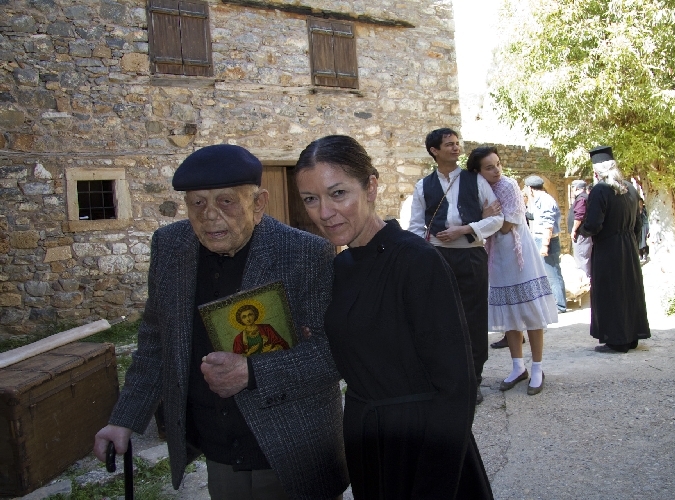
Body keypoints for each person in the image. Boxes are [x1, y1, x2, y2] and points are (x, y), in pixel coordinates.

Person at [93, 144, 348, 499]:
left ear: (259, 203)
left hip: (292, 441)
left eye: (226, 201)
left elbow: (336, 353)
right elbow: (156, 340)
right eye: (197, 203)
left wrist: (252, 373)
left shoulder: (305, 253)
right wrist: (124, 419)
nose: (209, 216)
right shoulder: (170, 246)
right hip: (219, 444)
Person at [295, 135, 494, 499]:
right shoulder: (339, 266)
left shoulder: (416, 260)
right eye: (311, 199)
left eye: (338, 193)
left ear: (370, 186)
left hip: (424, 446)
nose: (324, 212)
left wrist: (433, 484)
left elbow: (457, 386)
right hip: (368, 439)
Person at [407, 128, 503, 404]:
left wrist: (465, 229)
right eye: (448, 144)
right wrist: (427, 255)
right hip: (439, 258)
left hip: (471, 256)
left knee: (473, 319)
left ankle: (474, 380)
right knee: (442, 319)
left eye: (457, 143)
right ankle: (448, 378)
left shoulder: (476, 180)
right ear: (434, 151)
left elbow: (497, 219)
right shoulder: (423, 186)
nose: (456, 148)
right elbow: (415, 228)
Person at [467, 147, 558, 395]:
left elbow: (506, 226)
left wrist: (486, 219)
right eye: (489, 167)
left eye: (497, 164)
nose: (496, 170)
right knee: (509, 311)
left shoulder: (507, 186)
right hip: (497, 255)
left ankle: (537, 367)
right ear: (478, 171)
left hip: (518, 254)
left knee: (530, 310)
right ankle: (518, 366)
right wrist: (486, 217)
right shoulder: (478, 188)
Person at [579, 146, 651, 353]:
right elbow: (638, 223)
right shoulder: (630, 188)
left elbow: (593, 224)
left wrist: (583, 231)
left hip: (608, 247)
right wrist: (631, 243)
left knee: (611, 291)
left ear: (596, 171)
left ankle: (617, 340)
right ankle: (632, 336)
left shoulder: (600, 190)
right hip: (628, 245)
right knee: (629, 290)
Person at [524, 175, 568, 313]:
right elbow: (535, 217)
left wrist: (545, 244)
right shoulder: (539, 200)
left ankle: (559, 305)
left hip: (547, 240)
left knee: (553, 273)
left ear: (530, 189)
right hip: (540, 239)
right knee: (545, 272)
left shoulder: (545, 200)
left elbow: (548, 224)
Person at [568, 179, 592, 277]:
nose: (572, 190)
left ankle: (586, 280)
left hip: (581, 234)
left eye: (573, 188)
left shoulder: (581, 199)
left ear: (576, 188)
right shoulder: (583, 197)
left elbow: (579, 216)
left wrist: (574, 230)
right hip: (582, 233)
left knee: (582, 258)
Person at [638, 198, 650, 263]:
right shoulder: (636, 210)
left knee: (645, 240)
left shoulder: (645, 209)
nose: (640, 204)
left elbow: (646, 218)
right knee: (639, 241)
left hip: (645, 226)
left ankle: (645, 254)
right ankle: (640, 254)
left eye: (641, 203)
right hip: (639, 227)